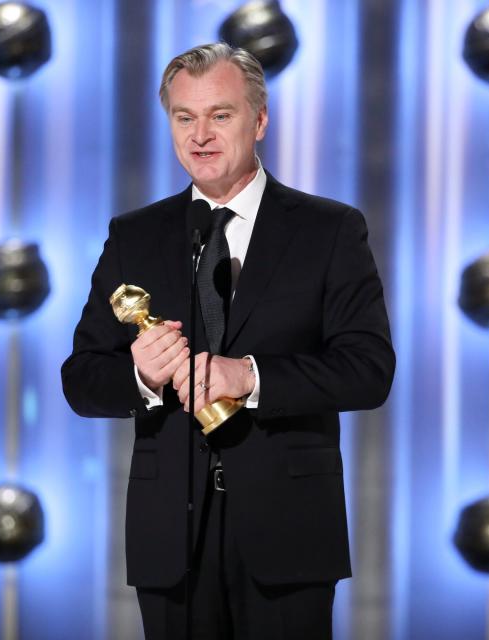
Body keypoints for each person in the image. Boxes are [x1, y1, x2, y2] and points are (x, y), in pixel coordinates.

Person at [62, 43, 395, 639]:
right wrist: (140, 376)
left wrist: (251, 376)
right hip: (171, 541)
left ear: (259, 121)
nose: (200, 135)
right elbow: (82, 378)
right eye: (183, 117)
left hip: (288, 534)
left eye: (220, 115)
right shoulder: (135, 236)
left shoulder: (329, 230)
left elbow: (368, 370)